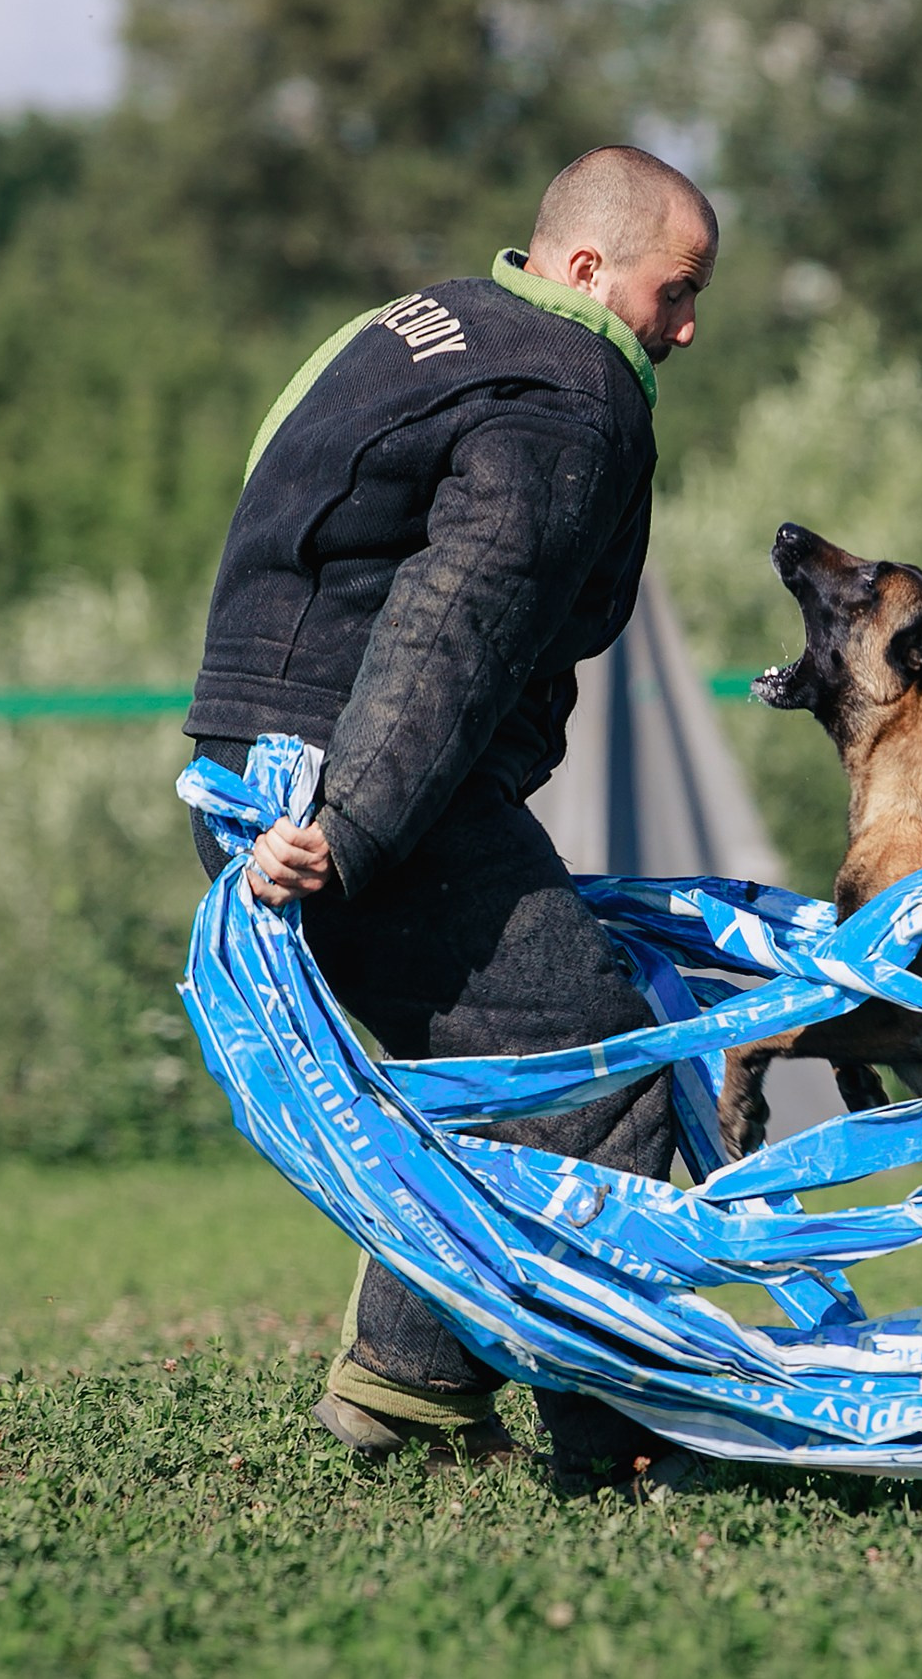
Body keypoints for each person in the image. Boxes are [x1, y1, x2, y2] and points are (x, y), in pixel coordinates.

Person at [181, 146, 715, 1494]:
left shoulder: (426, 326)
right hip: (348, 790)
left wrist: (276, 785)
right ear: (591, 272)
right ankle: (620, 1438)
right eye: (679, 292)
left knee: (497, 1058)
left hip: (262, 770)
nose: (688, 330)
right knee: (588, 1063)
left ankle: (407, 1385)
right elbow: (456, 623)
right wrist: (346, 826)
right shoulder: (572, 389)